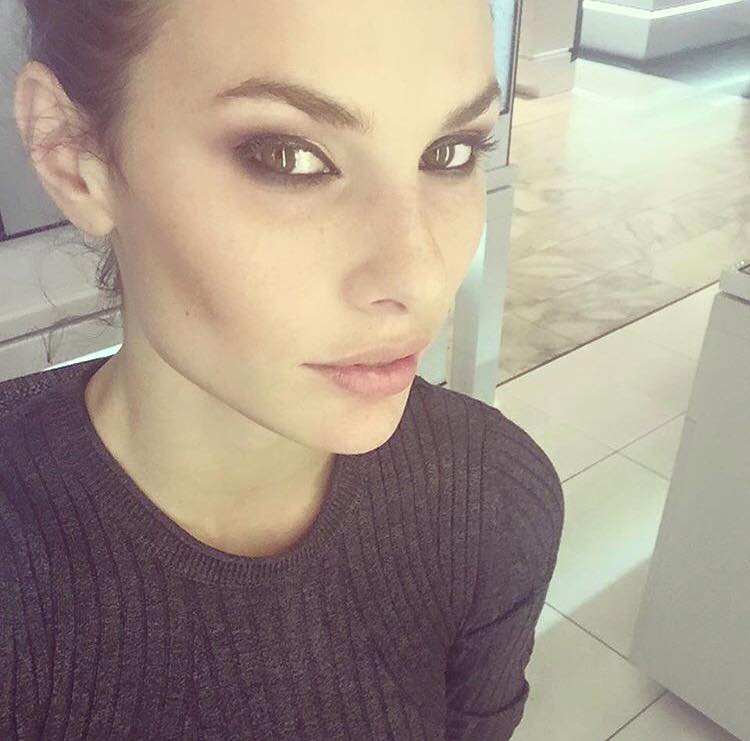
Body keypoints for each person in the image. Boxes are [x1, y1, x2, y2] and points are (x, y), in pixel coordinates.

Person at [0, 1, 564, 739]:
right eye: (288, 157)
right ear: (72, 154)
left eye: (451, 152)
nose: (421, 278)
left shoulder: (492, 500)